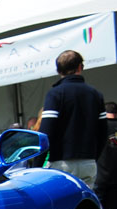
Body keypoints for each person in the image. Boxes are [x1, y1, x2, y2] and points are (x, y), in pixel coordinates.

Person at [38, 50, 106, 188]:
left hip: (61, 162)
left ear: (58, 70)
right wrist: (93, 156)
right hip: (88, 161)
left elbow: (46, 133)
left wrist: (37, 165)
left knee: (61, 201)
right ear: (80, 67)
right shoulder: (95, 94)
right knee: (85, 200)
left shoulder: (55, 94)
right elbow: (103, 132)